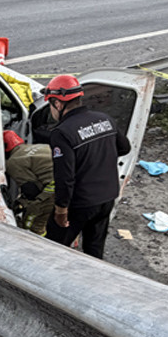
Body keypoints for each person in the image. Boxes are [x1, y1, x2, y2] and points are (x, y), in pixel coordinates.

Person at [41, 75, 131, 259]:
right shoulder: (104, 119)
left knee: (53, 250)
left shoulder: (62, 132)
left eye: (50, 105)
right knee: (94, 250)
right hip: (107, 197)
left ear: (58, 104)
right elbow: (124, 147)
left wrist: (60, 211)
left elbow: (64, 177)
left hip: (80, 203)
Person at [3, 130, 55, 236]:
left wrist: (21, 204)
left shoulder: (14, 162)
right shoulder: (39, 146)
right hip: (77, 184)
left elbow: (32, 191)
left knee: (31, 227)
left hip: (54, 188)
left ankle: (37, 249)